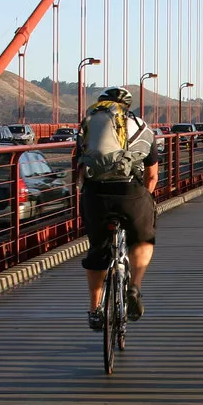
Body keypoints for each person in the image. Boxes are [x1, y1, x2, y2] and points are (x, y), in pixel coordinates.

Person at [77, 86, 159, 331]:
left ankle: (94, 309)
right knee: (143, 239)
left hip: (95, 195)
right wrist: (145, 199)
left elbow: (80, 170)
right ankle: (134, 286)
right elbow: (152, 176)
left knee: (97, 251)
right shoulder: (142, 127)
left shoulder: (89, 125)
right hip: (129, 194)